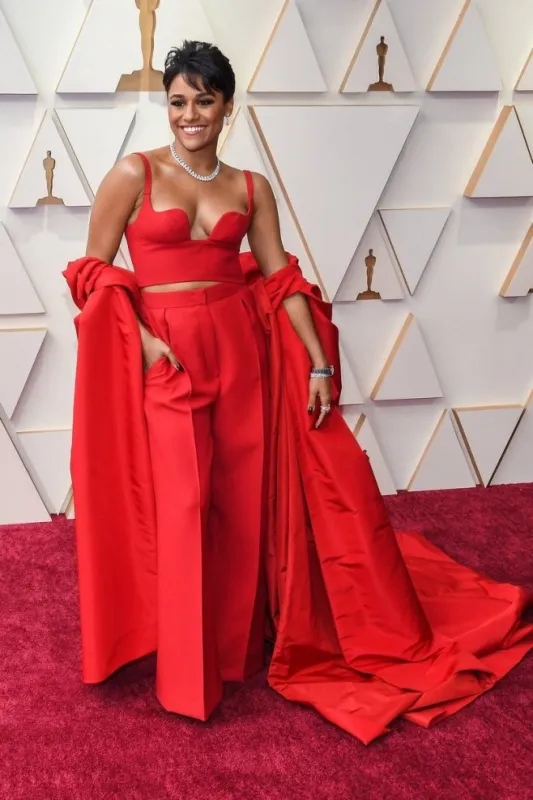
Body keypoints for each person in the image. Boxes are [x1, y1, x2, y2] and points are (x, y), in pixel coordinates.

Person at [63, 41, 533, 746]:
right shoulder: (133, 173)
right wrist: (146, 344)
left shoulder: (250, 187)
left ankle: (233, 654)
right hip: (169, 355)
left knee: (238, 503)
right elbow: (92, 269)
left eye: (203, 101)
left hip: (239, 353)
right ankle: (187, 677)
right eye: (177, 101)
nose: (188, 115)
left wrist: (317, 364)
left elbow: (280, 278)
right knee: (186, 503)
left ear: (227, 106)